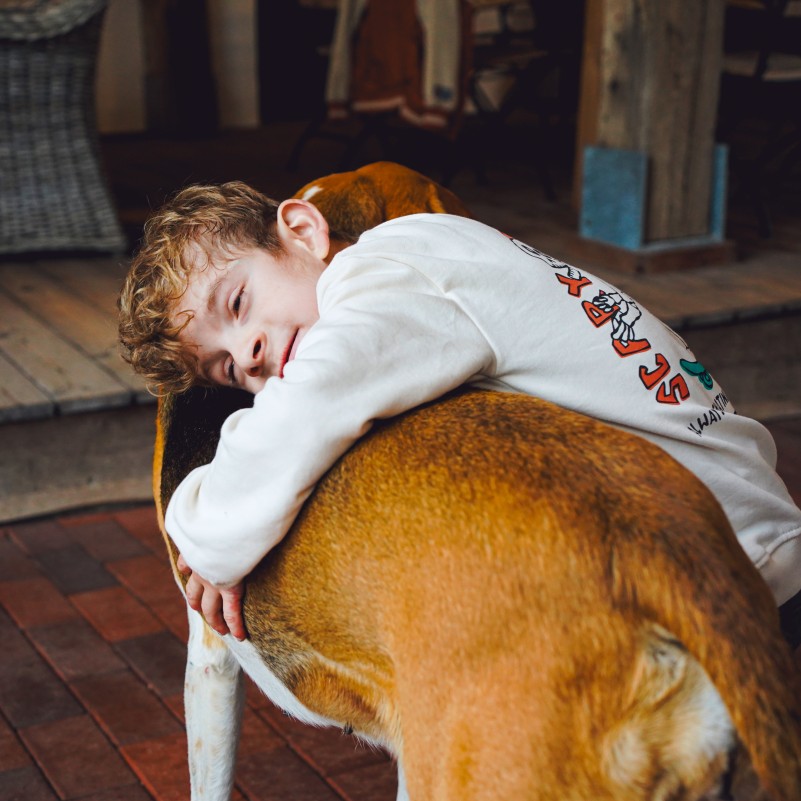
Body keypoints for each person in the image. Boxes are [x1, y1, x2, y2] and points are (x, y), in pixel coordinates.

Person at [118, 180, 801, 649]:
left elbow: (303, 414)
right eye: (230, 370)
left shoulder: (387, 281)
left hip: (729, 550)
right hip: (730, 514)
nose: (252, 351)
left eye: (238, 304)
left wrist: (199, 534)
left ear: (301, 230)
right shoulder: (429, 246)